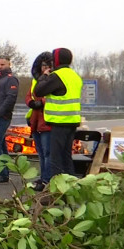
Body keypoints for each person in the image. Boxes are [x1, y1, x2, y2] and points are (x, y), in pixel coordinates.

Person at [34, 48, 82, 177]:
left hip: (59, 122)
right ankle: (71, 187)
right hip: (72, 121)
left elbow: (38, 91)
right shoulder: (75, 76)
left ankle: (56, 191)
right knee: (66, 157)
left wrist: (44, 75)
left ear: (56, 60)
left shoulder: (57, 76)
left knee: (55, 159)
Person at [25, 52, 53, 191]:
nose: (45, 68)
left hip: (47, 121)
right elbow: (28, 95)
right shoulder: (36, 79)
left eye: (48, 66)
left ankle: (47, 179)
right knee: (41, 153)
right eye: (43, 66)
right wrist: (32, 103)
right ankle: (43, 177)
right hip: (36, 120)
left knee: (48, 153)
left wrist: (40, 102)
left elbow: (49, 98)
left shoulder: (52, 79)